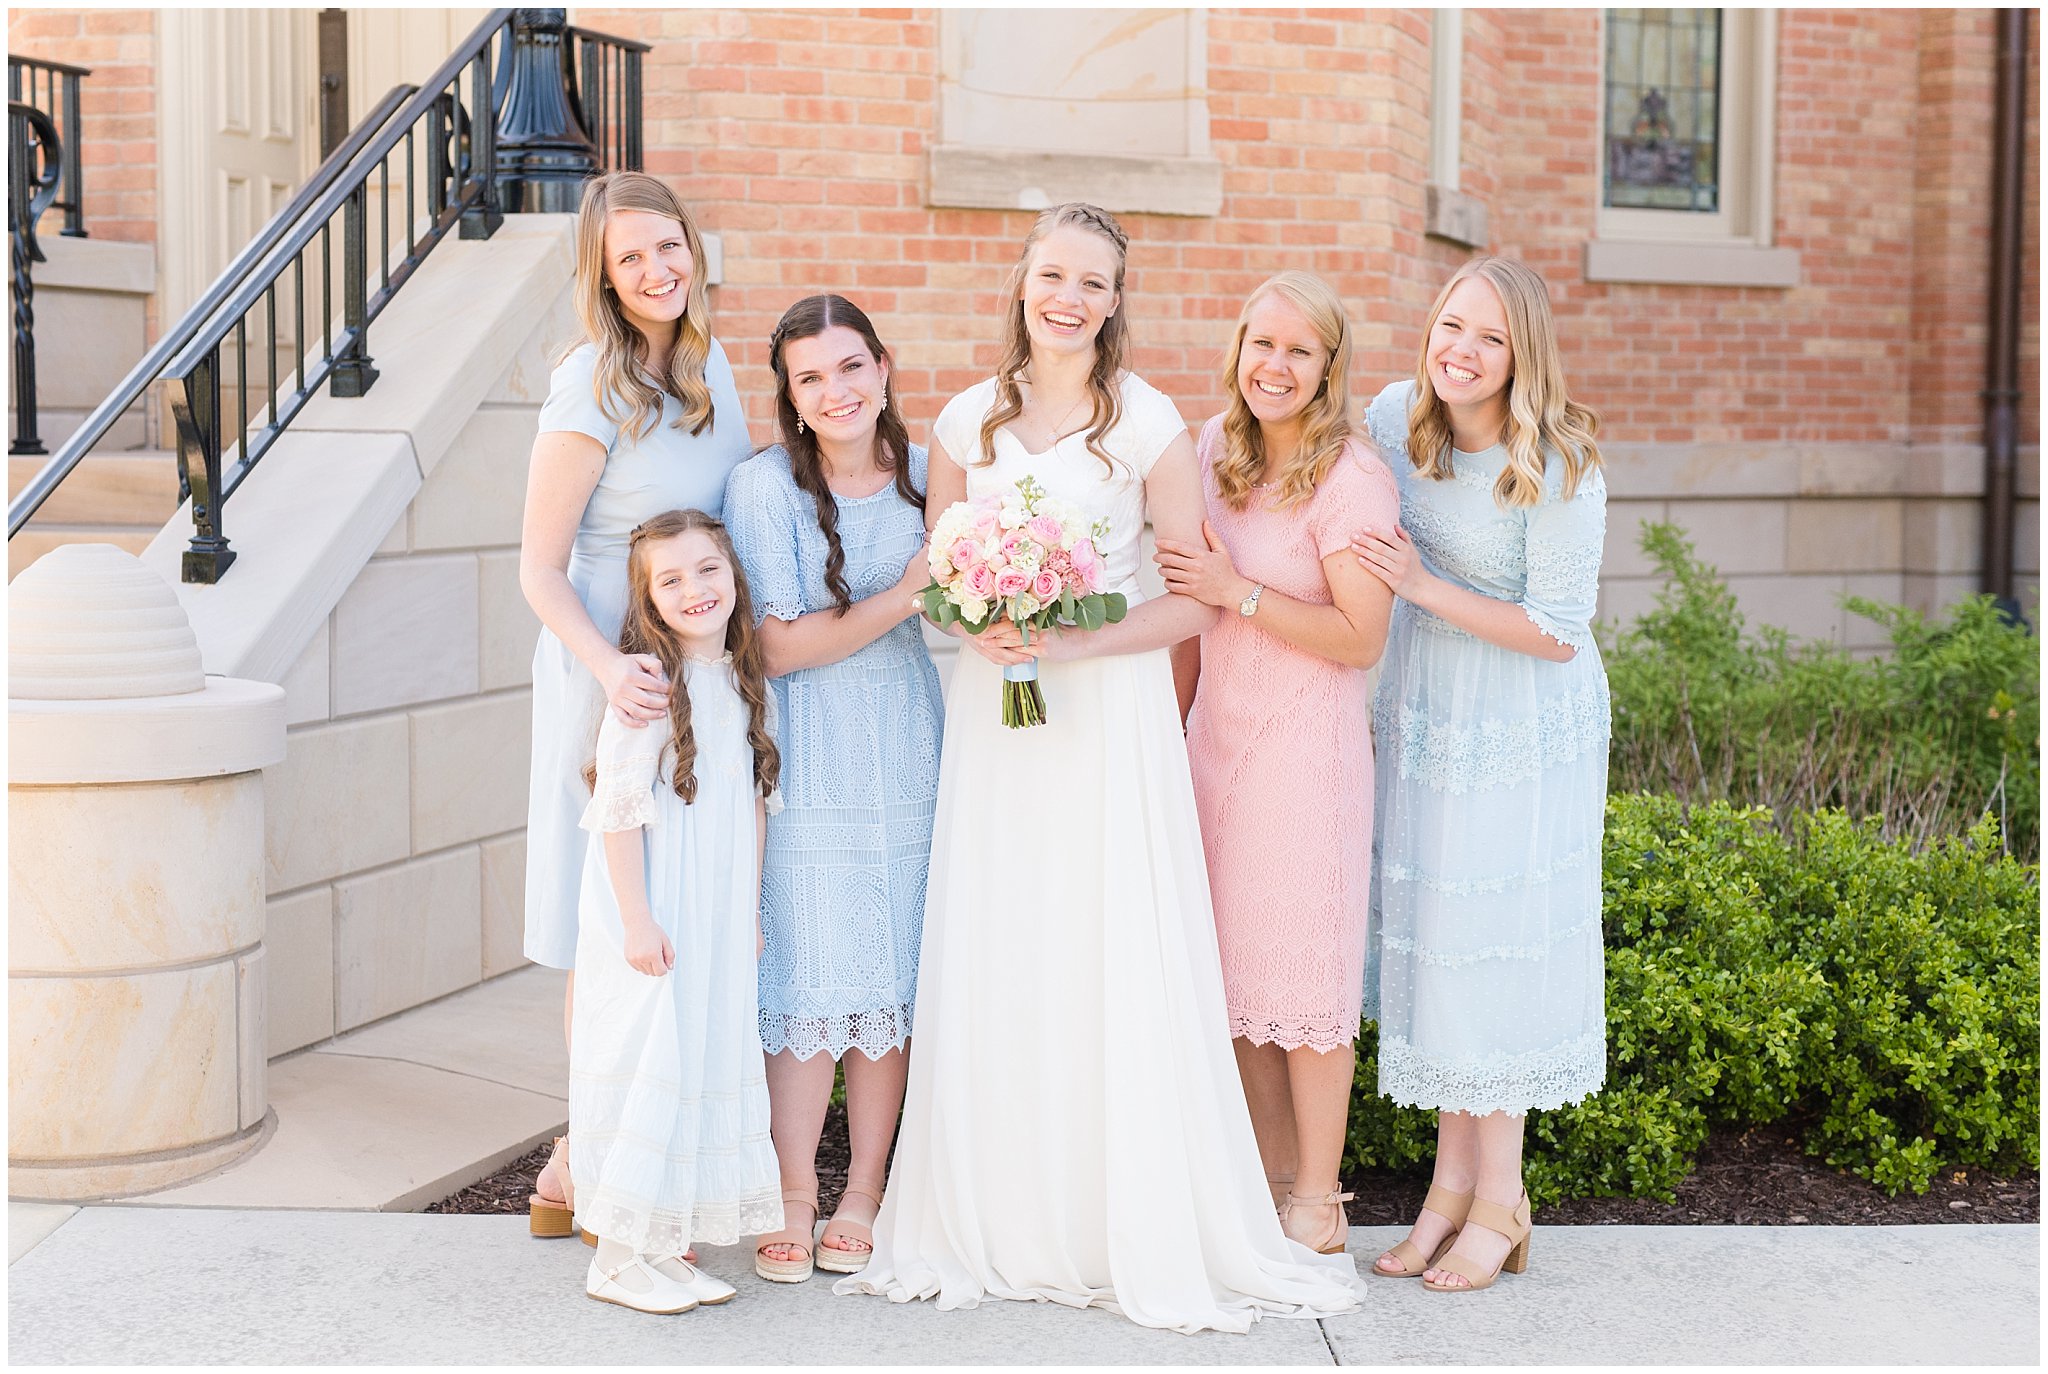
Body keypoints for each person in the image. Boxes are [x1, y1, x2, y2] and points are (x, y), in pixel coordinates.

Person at [834, 203, 1362, 1335]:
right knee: (1008, 937)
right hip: (998, 717)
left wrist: (1071, 641)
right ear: (1021, 281)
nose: (1067, 299)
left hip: (1106, 716)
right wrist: (979, 622)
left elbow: (1186, 595)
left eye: (1092, 284)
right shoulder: (966, 422)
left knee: (1100, 942)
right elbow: (939, 571)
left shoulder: (1150, 426)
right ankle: (1003, 1210)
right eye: (1052, 276)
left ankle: (1113, 1213)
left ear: (1116, 303)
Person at [1352, 256, 1609, 1293]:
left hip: (1520, 718)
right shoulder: (1388, 420)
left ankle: (1497, 1197)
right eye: (1450, 325)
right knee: (1443, 945)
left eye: (1489, 338)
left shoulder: (1556, 460)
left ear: (1522, 356)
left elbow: (1555, 630)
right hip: (1424, 708)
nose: (1459, 349)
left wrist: (1417, 582)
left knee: (1491, 947)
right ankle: (1447, 1194)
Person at [519, 172, 751, 1233]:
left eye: (668, 248)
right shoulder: (587, 385)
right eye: (630, 260)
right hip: (610, 678)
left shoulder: (713, 373)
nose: (656, 272)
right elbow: (538, 568)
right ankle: (599, 1166)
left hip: (697, 675)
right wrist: (608, 668)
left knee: (673, 913)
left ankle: (579, 1161)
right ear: (602, 279)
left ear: (692, 249)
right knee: (606, 917)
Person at [1154, 271, 1398, 1256]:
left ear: (1328, 368)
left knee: (1305, 989)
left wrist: (1238, 589)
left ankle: (1317, 1200)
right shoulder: (1211, 451)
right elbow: (1185, 608)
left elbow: (1359, 637)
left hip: (1306, 761)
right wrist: (1170, 739)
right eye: (1262, 344)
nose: (1275, 365)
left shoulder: (1352, 480)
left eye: (1299, 350)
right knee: (1241, 992)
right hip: (1220, 747)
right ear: (1237, 349)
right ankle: (1263, 1183)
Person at [724, 295, 942, 1283]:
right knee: (809, 975)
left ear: (883, 366)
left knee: (888, 975)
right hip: (805, 757)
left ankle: (862, 1191)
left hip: (909, 746)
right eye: (811, 377)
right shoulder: (763, 488)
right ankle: (792, 1191)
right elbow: (773, 647)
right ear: (791, 395)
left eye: (850, 367)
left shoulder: (931, 481)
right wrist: (905, 595)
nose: (836, 391)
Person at [570, 509, 783, 1313]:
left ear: (733, 577)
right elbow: (620, 810)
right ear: (649, 601)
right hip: (658, 907)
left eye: (707, 569)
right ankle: (617, 1260)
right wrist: (636, 921)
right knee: (653, 1060)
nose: (694, 589)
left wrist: (751, 910)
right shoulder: (646, 688)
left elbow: (755, 805)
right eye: (672, 579)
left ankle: (661, 1248)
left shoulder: (739, 678)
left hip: (717, 911)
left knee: (699, 1058)